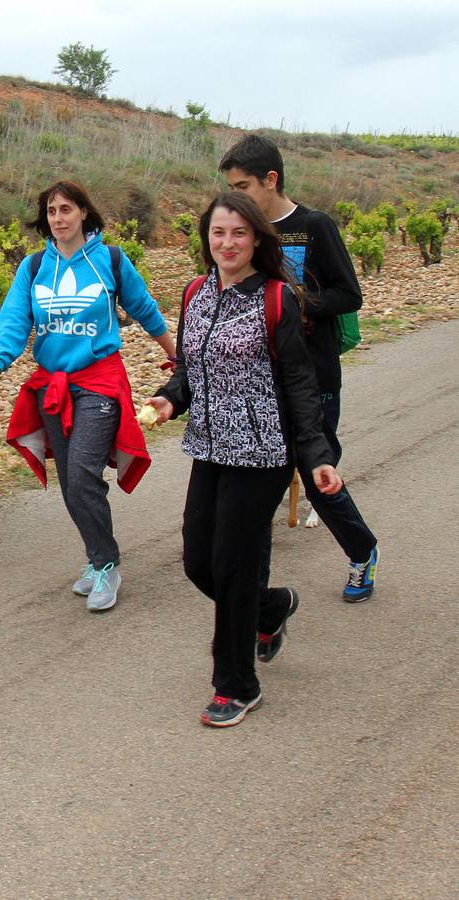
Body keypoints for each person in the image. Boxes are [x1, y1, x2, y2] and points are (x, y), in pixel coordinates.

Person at [145, 191, 343, 726]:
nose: (227, 243)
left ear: (256, 239)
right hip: (209, 446)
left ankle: (237, 685)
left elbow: (299, 384)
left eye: (238, 233)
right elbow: (190, 369)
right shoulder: (196, 293)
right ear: (206, 238)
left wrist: (317, 455)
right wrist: (170, 399)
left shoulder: (277, 299)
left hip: (262, 453)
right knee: (197, 561)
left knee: (233, 567)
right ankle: (272, 606)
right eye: (218, 232)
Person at [0, 180, 176, 612]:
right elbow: (13, 323)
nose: (58, 218)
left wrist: (175, 354)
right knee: (71, 482)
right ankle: (97, 555)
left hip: (99, 381)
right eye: (51, 211)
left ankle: (106, 564)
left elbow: (144, 308)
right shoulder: (33, 267)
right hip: (53, 385)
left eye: (66, 209)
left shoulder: (111, 260)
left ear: (84, 212)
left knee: (83, 474)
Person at [219, 134, 379, 601]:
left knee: (317, 478)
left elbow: (349, 294)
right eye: (231, 188)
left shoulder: (314, 226)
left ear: (271, 179)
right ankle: (257, 598)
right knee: (261, 488)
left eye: (243, 186)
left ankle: (362, 551)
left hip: (314, 379)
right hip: (260, 381)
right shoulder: (243, 233)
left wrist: (296, 302)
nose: (236, 197)